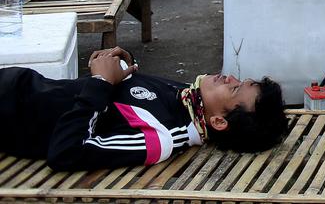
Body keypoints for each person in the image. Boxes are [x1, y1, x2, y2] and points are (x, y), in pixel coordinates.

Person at [0, 47, 289, 171]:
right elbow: (135, 99)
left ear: (218, 122)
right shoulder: (188, 98)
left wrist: (101, 81)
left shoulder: (162, 136)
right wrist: (124, 67)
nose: (230, 78)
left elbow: (67, 151)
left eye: (235, 89)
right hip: (16, 84)